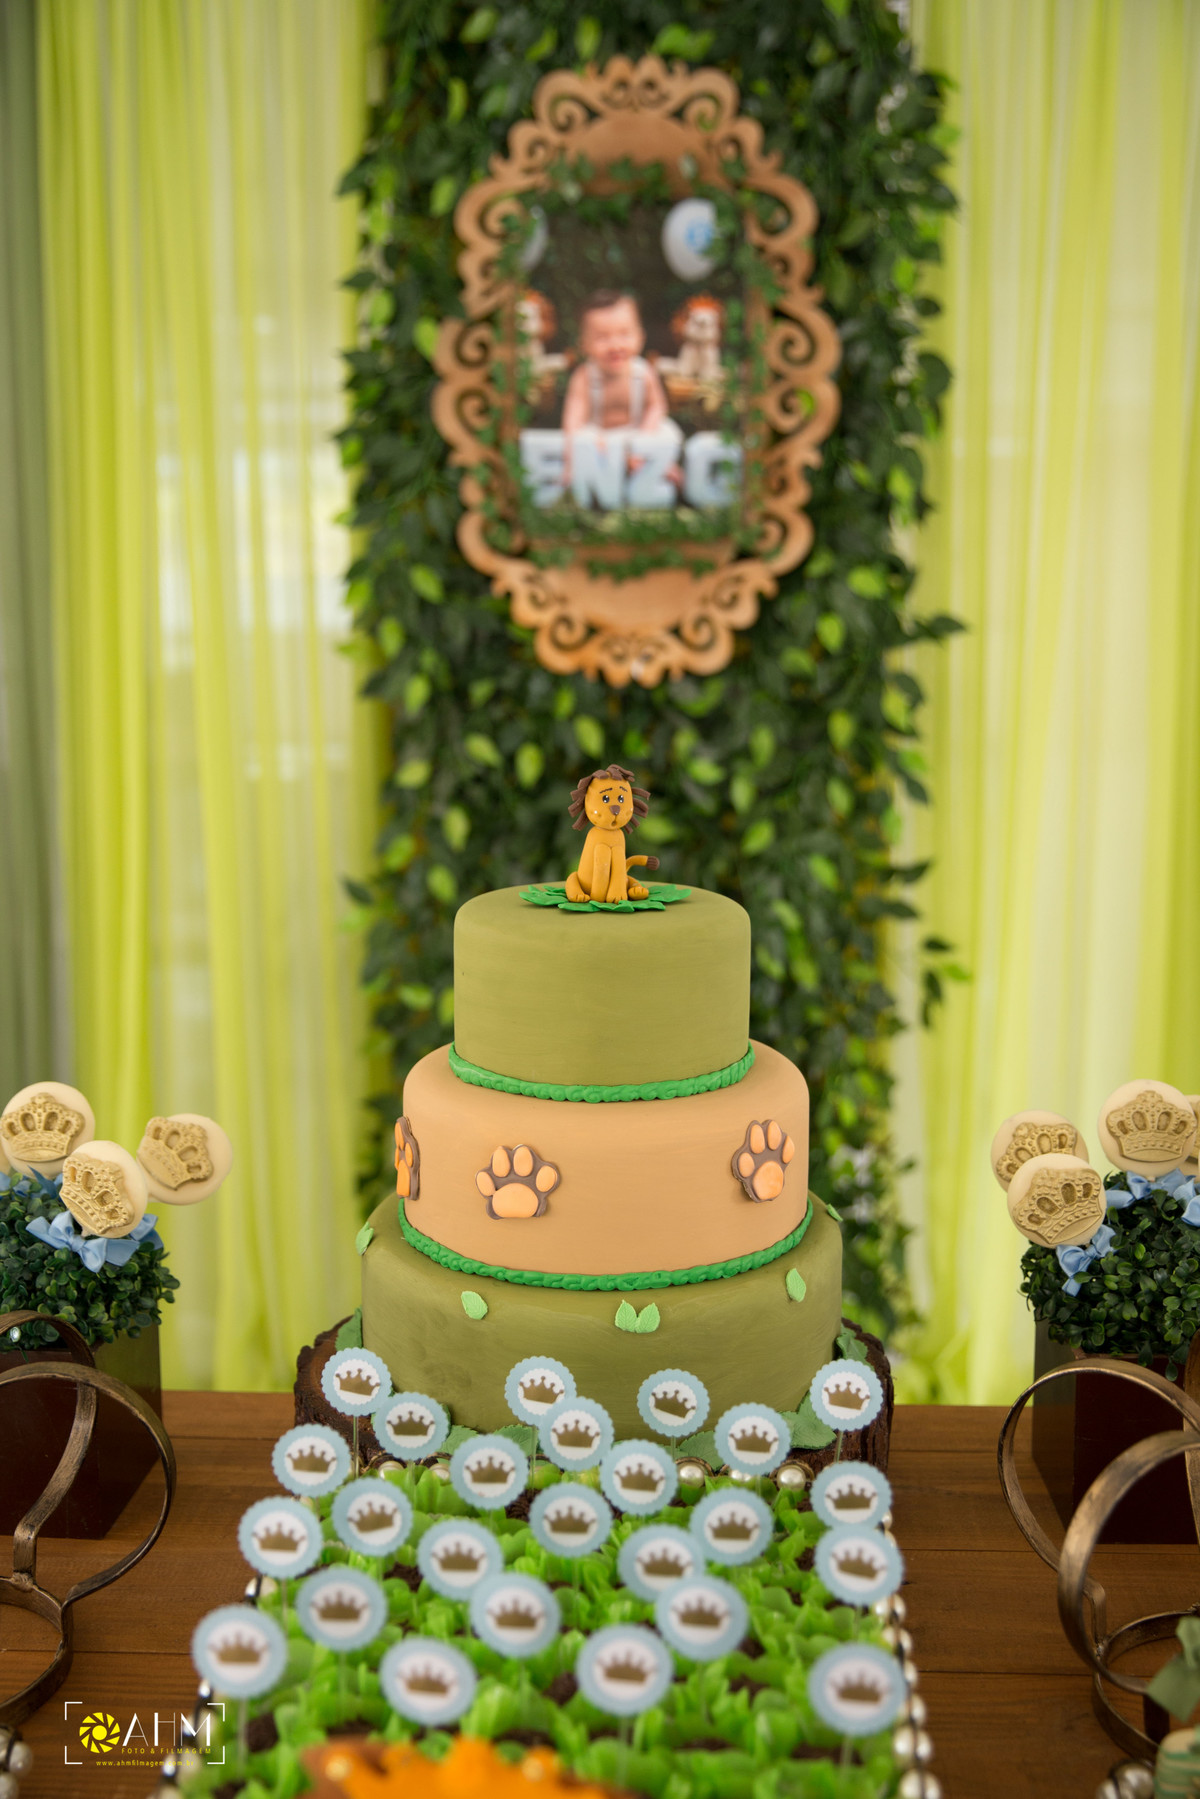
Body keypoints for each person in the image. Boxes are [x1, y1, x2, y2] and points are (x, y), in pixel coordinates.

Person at [560, 291, 675, 495]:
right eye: (602, 337)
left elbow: (656, 406)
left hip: (637, 434)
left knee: (667, 431)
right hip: (601, 442)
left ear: (640, 337)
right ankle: (609, 472)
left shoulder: (644, 372)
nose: (615, 346)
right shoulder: (584, 377)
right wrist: (571, 460)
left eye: (624, 334)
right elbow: (573, 421)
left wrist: (645, 438)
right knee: (581, 438)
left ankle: (660, 467)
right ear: (583, 344)